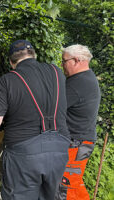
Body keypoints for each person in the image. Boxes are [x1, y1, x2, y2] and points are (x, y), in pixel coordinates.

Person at [0, 40, 70, 200]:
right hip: (60, 149)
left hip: (25, 154)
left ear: (11, 62)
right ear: (33, 55)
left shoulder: (8, 80)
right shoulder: (56, 72)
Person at [55, 45, 101, 200]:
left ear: (76, 61)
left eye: (64, 61)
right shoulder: (86, 78)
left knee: (67, 184)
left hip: (77, 143)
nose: (62, 65)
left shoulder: (78, 83)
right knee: (70, 182)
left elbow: (53, 107)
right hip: (80, 141)